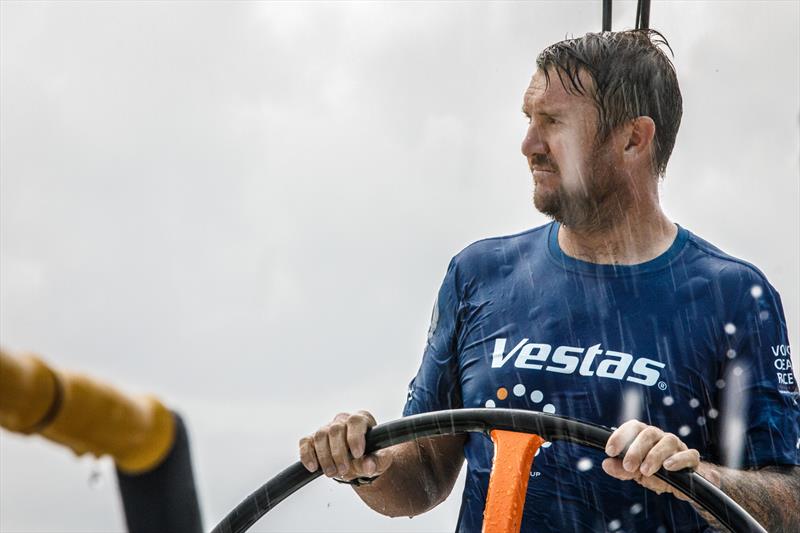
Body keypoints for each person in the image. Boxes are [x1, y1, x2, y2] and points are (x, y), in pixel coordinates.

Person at [298, 30, 800, 532]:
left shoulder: (732, 297)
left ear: (633, 138)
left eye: (554, 123)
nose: (528, 145)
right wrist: (369, 464)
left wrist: (693, 477)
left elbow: (791, 501)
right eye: (528, 121)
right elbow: (425, 475)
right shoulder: (478, 276)